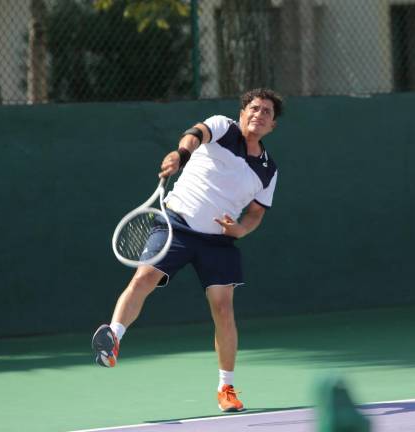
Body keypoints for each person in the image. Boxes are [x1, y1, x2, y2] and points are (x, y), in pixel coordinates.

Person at [92, 88, 283, 413]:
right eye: (254, 108)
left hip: (219, 242)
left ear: (272, 125)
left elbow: (256, 213)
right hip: (176, 225)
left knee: (223, 309)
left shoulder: (268, 169)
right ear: (242, 113)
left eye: (267, 112)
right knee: (145, 277)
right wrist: (180, 155)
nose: (259, 114)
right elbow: (197, 134)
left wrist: (240, 229)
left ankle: (226, 388)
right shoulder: (223, 128)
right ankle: (113, 339)